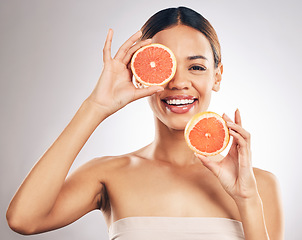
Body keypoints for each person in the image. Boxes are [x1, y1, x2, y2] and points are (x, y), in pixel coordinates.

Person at [6, 6, 283, 240]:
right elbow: (23, 220)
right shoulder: (108, 175)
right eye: (165, 65)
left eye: (196, 66)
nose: (178, 83)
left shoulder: (259, 186)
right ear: (141, 71)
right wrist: (96, 107)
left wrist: (247, 199)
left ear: (217, 76)